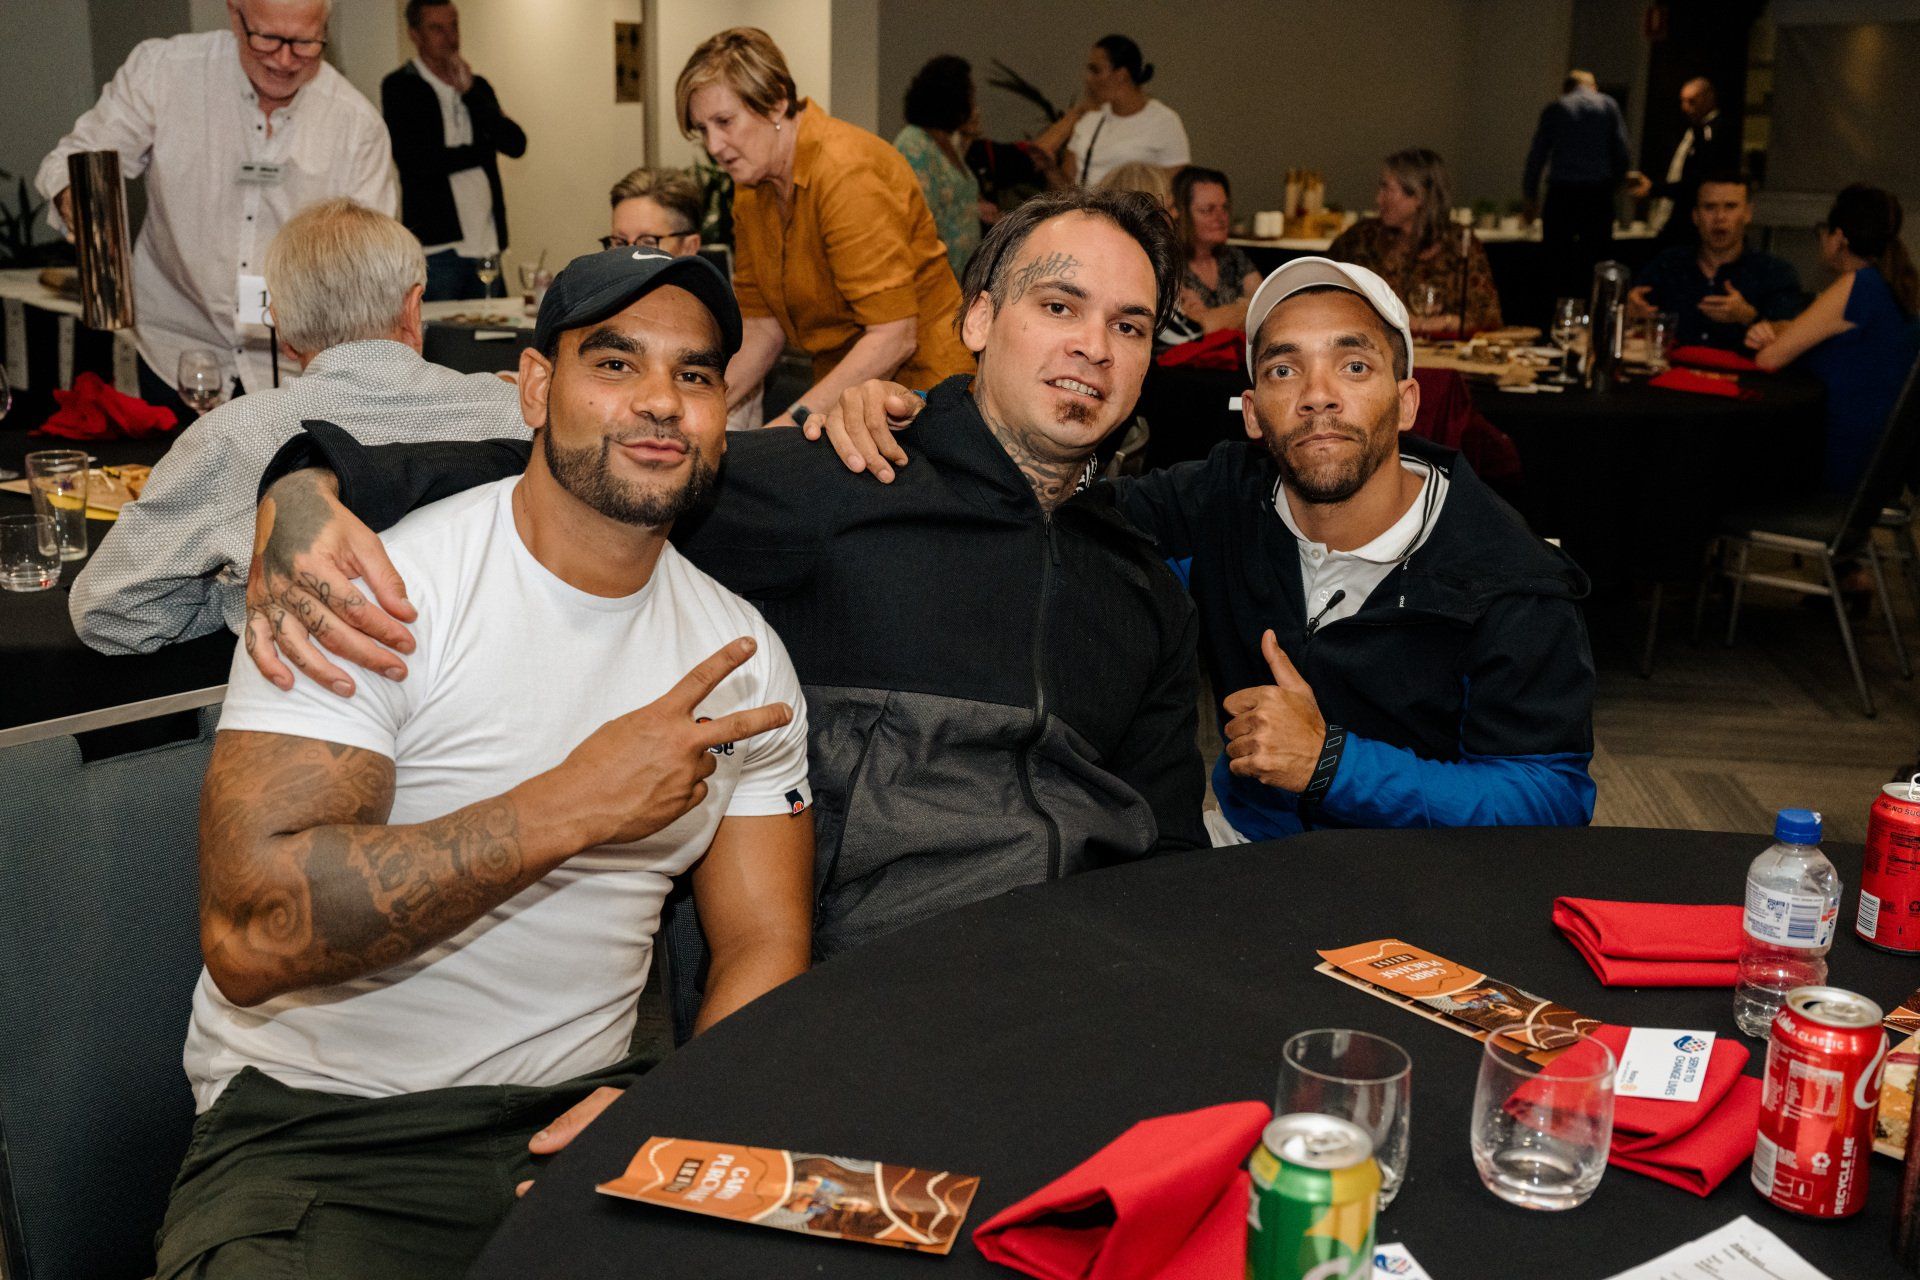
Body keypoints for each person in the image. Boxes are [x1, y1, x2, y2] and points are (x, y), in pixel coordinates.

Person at [236, 188, 1208, 962]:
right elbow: (583, 467)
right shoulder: (849, 478)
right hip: (880, 990)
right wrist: (319, 476)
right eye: (1060, 306)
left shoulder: (1142, 587)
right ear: (983, 319)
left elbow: (1167, 857)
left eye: (1129, 326)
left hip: (1080, 987)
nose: (1093, 346)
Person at [152, 248, 814, 1278]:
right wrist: (575, 803)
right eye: (616, 362)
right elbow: (252, 926)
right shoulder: (371, 587)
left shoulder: (739, 651)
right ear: (537, 388)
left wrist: (679, 1105)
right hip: (332, 1135)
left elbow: (765, 936)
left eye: (694, 375)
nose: (660, 403)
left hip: (596, 1112)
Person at [810, 257, 1598, 842]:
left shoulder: (1504, 572)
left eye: (1354, 365)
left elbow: (1552, 796)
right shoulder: (1224, 499)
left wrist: (1331, 764)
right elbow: (1057, 506)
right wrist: (925, 421)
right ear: (1254, 413)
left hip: (1431, 885)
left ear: (1407, 398)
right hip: (1246, 854)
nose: (1319, 393)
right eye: (1286, 369)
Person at [68, 199, 524, 656]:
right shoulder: (518, 412)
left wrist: (236, 597)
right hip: (497, 683)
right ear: (413, 306)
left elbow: (109, 614)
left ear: (282, 329)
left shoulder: (236, 436)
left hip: (312, 702)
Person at [36, 0, 396, 415]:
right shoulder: (165, 70)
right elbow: (73, 159)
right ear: (234, 15)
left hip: (295, 374)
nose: (283, 59)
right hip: (174, 354)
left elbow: (371, 270)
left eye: (304, 43)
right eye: (267, 38)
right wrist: (80, 206)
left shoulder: (357, 124)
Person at [678, 26, 972, 427]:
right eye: (703, 130)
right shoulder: (752, 187)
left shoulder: (845, 172)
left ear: (778, 101)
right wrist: (696, 408)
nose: (713, 146)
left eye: (725, 121)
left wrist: (788, 424)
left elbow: (894, 335)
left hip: (926, 394)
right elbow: (763, 327)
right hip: (846, 391)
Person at [1747, 185, 1920, 492]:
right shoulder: (1889, 286)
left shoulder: (1858, 286)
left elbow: (1768, 359)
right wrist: (1779, 329)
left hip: (1836, 460)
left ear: (1839, 237)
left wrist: (1774, 335)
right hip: (1877, 463)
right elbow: (1816, 333)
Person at [382, 0, 527, 301]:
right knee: (441, 341)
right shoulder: (401, 88)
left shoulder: (478, 87)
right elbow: (417, 162)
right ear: (415, 34)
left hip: (487, 240)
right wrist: (481, 151)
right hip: (438, 247)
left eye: (454, 26)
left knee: (494, 339)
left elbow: (515, 143)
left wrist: (470, 93)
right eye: (437, 28)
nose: (449, 37)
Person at [604, 167, 761, 429]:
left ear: (689, 247)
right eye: (620, 243)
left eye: (647, 242)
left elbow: (715, 435)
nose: (628, 257)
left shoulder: (723, 331)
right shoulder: (605, 312)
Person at [1331, 148, 1501, 336]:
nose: (1378, 199)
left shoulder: (1459, 243)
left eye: (1387, 188)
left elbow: (1488, 315)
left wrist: (1436, 323)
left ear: (1418, 196)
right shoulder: (1361, 239)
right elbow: (1325, 293)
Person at [1628, 173, 1801, 351]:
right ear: (1695, 216)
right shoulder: (1668, 264)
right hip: (1673, 373)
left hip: (1745, 376)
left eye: (1730, 207)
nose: (1720, 217)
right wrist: (1631, 311)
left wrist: (1749, 317)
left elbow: (1795, 334)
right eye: (1710, 207)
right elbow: (1635, 308)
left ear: (1747, 214)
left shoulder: (1774, 272)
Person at [1522, 71, 1631, 305]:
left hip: (1562, 194)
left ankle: (1556, 316)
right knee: (1597, 264)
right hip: (1597, 194)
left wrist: (1530, 196)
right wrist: (1616, 184)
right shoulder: (1608, 106)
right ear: (1593, 86)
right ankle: (1595, 320)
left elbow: (1537, 155)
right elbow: (1621, 150)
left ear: (1567, 88)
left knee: (1556, 263)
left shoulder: (1557, 107)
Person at [1034, 35, 1190, 188]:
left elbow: (1176, 189)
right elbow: (1065, 191)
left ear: (1121, 75)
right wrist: (1051, 170)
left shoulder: (1164, 121)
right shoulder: (1090, 118)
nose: (1088, 78)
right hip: (1084, 211)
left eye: (1096, 70)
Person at [893, 55, 988, 281]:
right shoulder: (914, 144)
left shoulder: (946, 142)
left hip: (963, 278)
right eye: (970, 95)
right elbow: (918, 215)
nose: (973, 105)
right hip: (935, 278)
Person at [1628, 77, 1737, 243]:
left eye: (1692, 101)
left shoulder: (1713, 132)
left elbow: (1698, 180)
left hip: (1693, 217)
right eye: (1683, 102)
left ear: (1708, 98)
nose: (1685, 108)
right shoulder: (1695, 130)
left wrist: (1655, 189)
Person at [1170, 167, 1260, 336]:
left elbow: (1267, 308)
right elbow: (1194, 329)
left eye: (1224, 208)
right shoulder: (1170, 266)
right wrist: (1244, 310)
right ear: (1181, 215)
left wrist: (1213, 319)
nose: (1221, 217)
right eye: (1208, 210)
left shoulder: (1235, 258)